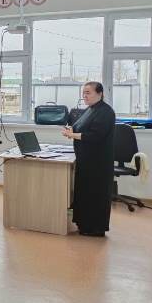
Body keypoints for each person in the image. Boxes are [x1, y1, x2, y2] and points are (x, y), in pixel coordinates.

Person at [62, 81, 116, 237]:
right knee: (84, 193)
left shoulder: (106, 112)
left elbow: (95, 136)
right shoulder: (90, 109)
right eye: (83, 92)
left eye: (88, 92)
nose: (84, 96)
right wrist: (71, 130)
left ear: (99, 93)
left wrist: (72, 135)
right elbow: (79, 127)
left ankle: (95, 228)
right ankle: (84, 224)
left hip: (97, 163)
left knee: (95, 195)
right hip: (86, 160)